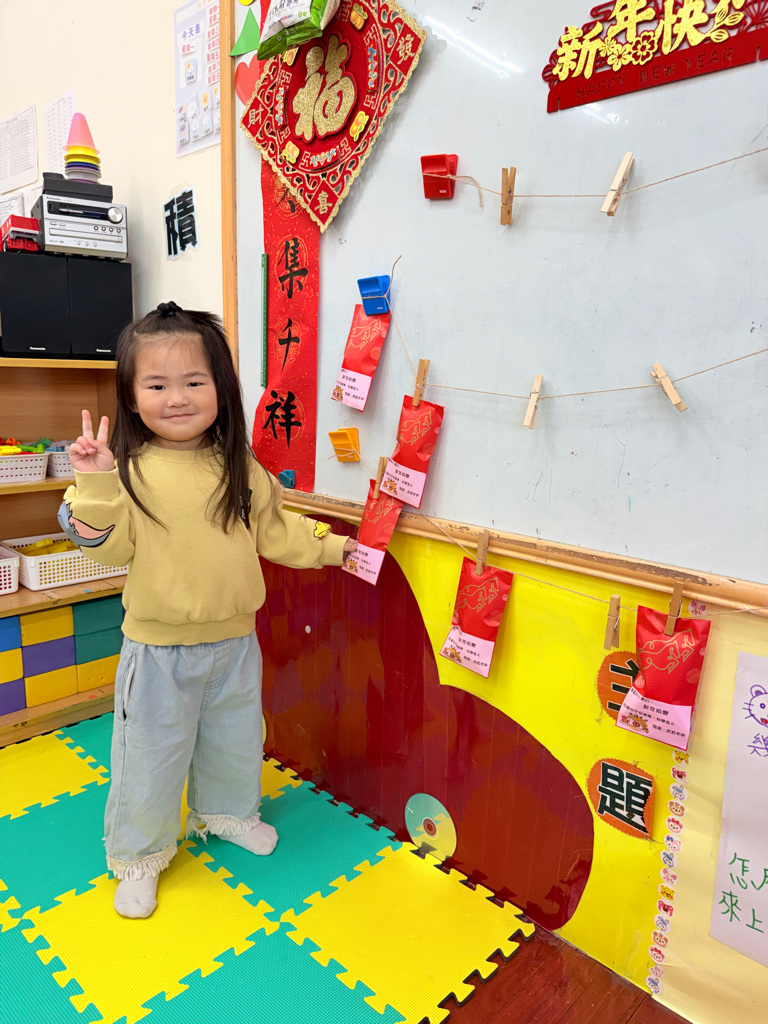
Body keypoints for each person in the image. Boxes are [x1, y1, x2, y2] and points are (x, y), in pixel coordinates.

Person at [60, 301, 354, 919]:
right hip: (157, 651)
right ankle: (139, 855)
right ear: (131, 396)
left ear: (221, 387)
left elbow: (277, 531)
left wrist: (335, 549)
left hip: (235, 643)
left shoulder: (241, 469)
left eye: (194, 381)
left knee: (236, 741)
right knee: (150, 758)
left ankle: (228, 814)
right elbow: (104, 546)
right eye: (156, 385)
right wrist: (95, 480)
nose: (177, 398)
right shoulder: (125, 471)